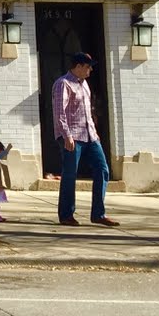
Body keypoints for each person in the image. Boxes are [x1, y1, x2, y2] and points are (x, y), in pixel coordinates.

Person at [51, 52, 117, 227]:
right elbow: (59, 113)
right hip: (72, 136)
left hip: (90, 136)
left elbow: (88, 112)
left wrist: (94, 132)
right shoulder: (63, 84)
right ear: (78, 66)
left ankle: (98, 214)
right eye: (88, 66)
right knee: (70, 174)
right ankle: (66, 214)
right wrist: (67, 136)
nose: (90, 70)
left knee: (102, 169)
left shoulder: (85, 84)